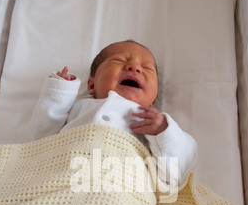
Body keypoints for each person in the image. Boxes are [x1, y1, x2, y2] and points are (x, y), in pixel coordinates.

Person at [30, 40, 197, 191]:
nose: (134, 67)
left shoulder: (149, 123)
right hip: (64, 178)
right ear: (91, 85)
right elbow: (41, 138)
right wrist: (59, 93)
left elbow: (175, 173)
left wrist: (164, 132)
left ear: (152, 101)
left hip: (120, 188)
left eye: (146, 68)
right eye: (119, 60)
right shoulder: (80, 108)